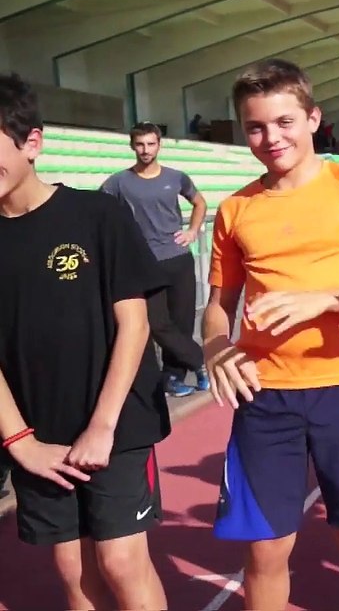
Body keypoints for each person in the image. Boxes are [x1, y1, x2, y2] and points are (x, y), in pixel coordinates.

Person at [201, 59, 339, 610]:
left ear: (313, 119)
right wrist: (217, 350)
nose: (271, 138)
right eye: (257, 127)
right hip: (265, 396)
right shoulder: (235, 208)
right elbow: (217, 307)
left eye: (285, 122)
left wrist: (324, 300)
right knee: (265, 551)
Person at [0, 72, 169, 609]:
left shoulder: (97, 215)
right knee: (73, 573)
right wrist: (21, 442)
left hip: (116, 423)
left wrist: (101, 426)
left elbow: (135, 325)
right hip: (37, 433)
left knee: (120, 561)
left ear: (32, 143)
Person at [101, 121, 209, 397]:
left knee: (182, 323)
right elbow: (99, 211)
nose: (145, 150)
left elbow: (200, 203)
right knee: (158, 323)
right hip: (145, 263)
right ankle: (201, 362)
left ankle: (173, 378)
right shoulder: (118, 182)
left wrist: (193, 231)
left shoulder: (176, 177)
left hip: (179, 258)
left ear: (159, 145)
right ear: (132, 146)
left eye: (150, 144)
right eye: (140, 144)